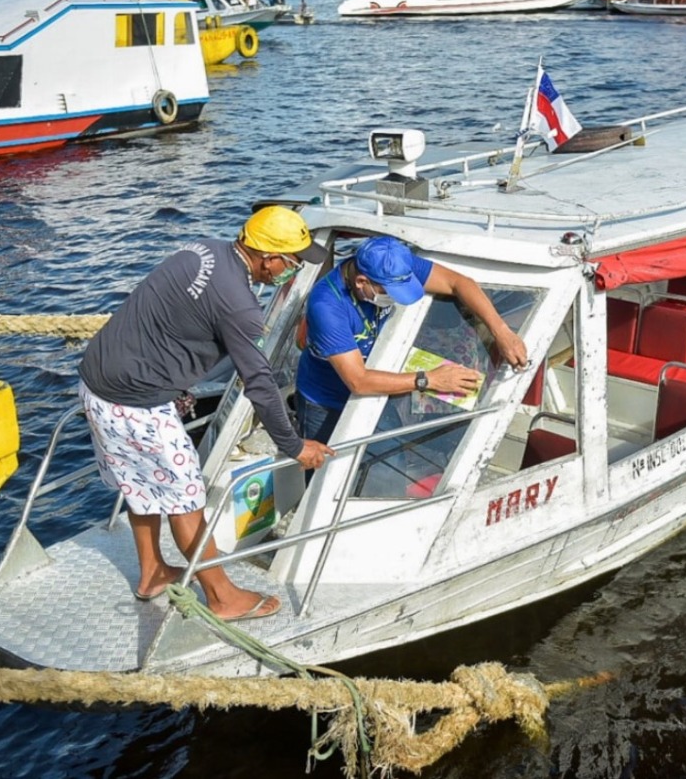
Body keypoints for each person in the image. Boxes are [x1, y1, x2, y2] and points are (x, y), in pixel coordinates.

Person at [79, 206, 335, 622]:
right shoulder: (239, 305)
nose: (293, 270)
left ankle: (152, 573)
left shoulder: (205, 249)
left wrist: (174, 385)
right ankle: (221, 596)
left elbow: (167, 318)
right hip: (137, 404)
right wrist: (293, 446)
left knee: (140, 482)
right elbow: (259, 383)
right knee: (186, 497)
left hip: (99, 384)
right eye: (292, 262)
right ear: (267, 258)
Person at [294, 236, 529, 444]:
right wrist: (430, 380)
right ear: (361, 282)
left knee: (388, 461)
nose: (395, 299)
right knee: (326, 469)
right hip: (328, 401)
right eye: (389, 293)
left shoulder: (393, 264)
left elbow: (459, 283)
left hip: (378, 390)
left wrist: (502, 332)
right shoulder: (327, 306)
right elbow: (358, 381)